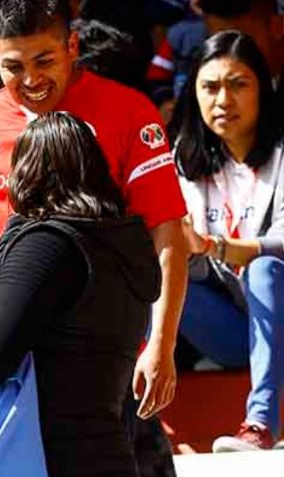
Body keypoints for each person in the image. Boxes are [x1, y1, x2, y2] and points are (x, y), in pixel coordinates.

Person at [0, 0, 189, 423]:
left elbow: (166, 235)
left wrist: (161, 342)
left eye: (44, 60)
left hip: (100, 350)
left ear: (72, 44)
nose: (31, 79)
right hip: (0, 346)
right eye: (13, 66)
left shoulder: (130, 112)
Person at [0, 111, 161, 476]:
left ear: (27, 170)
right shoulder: (124, 247)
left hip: (41, 458)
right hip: (110, 454)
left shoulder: (46, 244)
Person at [175, 30, 284, 452]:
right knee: (161, 274)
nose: (223, 99)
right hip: (238, 333)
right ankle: (147, 420)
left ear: (263, 88)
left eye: (238, 84)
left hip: (278, 307)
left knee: (265, 269)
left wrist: (220, 247)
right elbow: (188, 254)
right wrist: (182, 248)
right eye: (210, 87)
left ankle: (259, 424)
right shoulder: (186, 160)